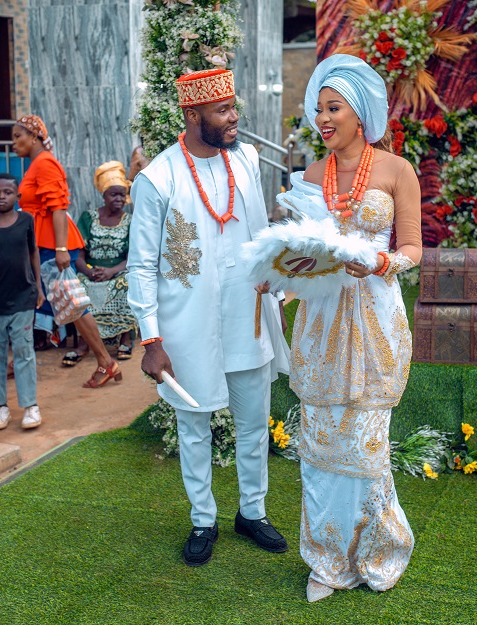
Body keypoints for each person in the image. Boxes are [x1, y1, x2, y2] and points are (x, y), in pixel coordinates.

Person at [127, 68, 291, 567]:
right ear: (192, 114)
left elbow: (259, 232)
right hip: (186, 327)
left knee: (252, 424)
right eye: (222, 110)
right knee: (194, 426)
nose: (234, 117)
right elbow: (140, 264)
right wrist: (151, 339)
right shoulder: (158, 177)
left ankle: (252, 512)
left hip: (248, 315)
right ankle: (203, 520)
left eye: (233, 106)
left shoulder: (244, 157)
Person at [277, 55, 422, 602]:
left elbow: (412, 248)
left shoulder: (395, 170)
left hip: (377, 321)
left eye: (333, 108)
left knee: (366, 446)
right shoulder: (312, 176)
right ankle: (327, 563)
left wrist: (381, 265)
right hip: (319, 321)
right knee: (318, 443)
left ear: (359, 114)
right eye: (318, 110)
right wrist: (279, 270)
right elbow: (305, 252)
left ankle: (378, 553)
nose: (323, 119)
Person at [12, 115, 122, 388]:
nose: (14, 143)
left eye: (18, 136)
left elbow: (58, 208)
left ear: (35, 137)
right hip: (43, 245)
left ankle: (106, 362)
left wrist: (61, 249)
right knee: (62, 304)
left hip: (53, 247)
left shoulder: (45, 163)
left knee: (73, 306)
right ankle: (19, 357)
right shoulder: (37, 164)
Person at [73, 161, 137, 360]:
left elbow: (132, 257)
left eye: (122, 194)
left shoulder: (130, 220)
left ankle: (125, 340)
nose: (119, 199)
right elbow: (78, 254)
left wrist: (111, 272)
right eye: (114, 194)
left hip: (118, 270)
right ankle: (85, 343)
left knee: (128, 282)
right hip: (90, 271)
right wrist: (89, 272)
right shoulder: (88, 218)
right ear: (103, 194)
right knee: (78, 286)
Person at [0, 173, 45, 430]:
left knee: (24, 352)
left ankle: (30, 406)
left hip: (23, 297)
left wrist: (38, 286)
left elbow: (33, 251)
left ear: (18, 197)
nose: (1, 196)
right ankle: (0, 407)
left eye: (7, 192)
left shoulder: (26, 220)